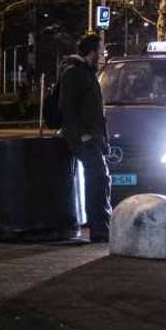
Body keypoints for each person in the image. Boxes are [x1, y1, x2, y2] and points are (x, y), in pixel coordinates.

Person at [60, 34, 111, 243]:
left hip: (93, 138)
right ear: (91, 51)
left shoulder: (87, 73)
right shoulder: (75, 73)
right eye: (101, 50)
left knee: (100, 179)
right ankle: (99, 229)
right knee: (98, 179)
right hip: (84, 139)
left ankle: (102, 226)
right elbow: (67, 107)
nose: (103, 54)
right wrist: (82, 135)